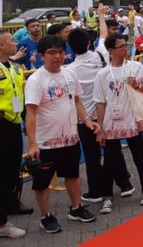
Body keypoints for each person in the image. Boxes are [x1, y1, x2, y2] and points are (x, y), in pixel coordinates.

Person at [24, 35, 100, 234]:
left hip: (70, 138)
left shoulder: (69, 74)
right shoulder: (35, 80)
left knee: (73, 175)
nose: (57, 56)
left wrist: (87, 120)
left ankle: (76, 209)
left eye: (60, 52)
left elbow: (76, 101)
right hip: (46, 142)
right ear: (41, 56)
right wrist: (32, 143)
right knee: (42, 183)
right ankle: (45, 217)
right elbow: (30, 114)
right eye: (51, 53)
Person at [68, 26, 133, 205]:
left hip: (86, 119)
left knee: (92, 156)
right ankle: (125, 184)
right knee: (113, 151)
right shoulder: (100, 55)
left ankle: (96, 190)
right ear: (89, 42)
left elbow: (74, 97)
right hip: (107, 113)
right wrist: (102, 16)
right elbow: (104, 36)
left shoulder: (70, 70)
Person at [94, 34, 143, 214]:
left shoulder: (136, 67)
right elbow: (100, 103)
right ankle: (106, 197)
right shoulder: (103, 74)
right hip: (111, 124)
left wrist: (137, 85)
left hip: (132, 120)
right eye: (120, 46)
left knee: (139, 156)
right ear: (111, 50)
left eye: (125, 45)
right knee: (110, 162)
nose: (125, 49)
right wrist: (100, 129)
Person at [0, 31, 28, 239]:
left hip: (15, 123)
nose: (15, 43)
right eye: (11, 40)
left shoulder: (14, 67)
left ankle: (9, 204)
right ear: (2, 46)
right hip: (2, 124)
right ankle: (2, 225)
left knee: (11, 171)